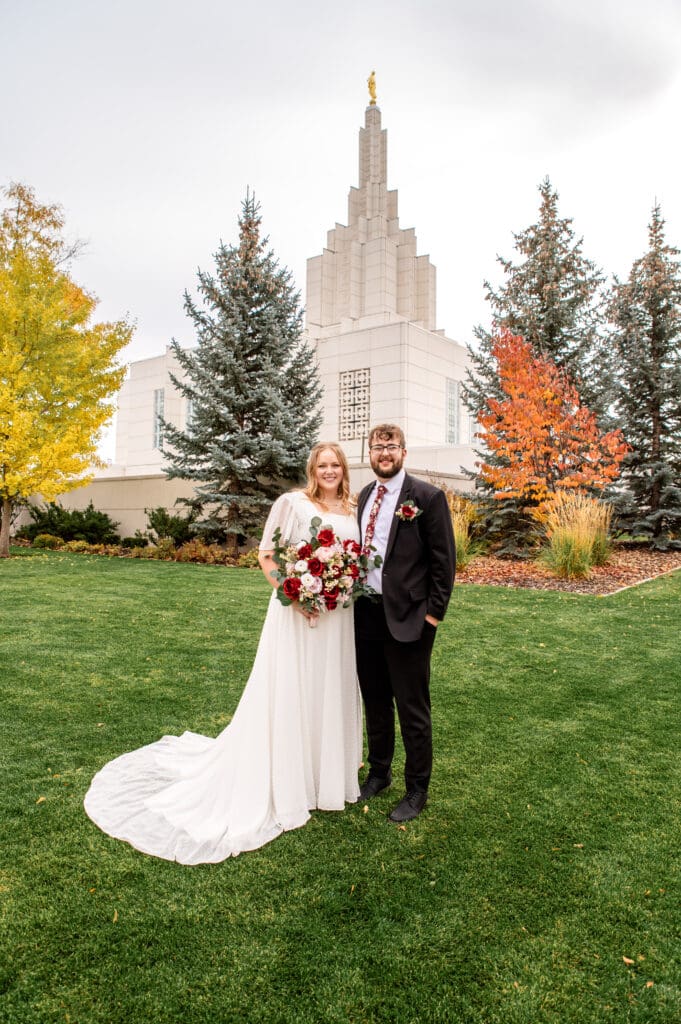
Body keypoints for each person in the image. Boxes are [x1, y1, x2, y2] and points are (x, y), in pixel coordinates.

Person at [84, 443, 362, 863]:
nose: (329, 471)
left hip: (339, 615)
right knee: (294, 687)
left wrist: (338, 584)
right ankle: (289, 777)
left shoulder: (354, 508)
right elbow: (267, 554)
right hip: (298, 613)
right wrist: (292, 590)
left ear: (343, 469)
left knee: (330, 685)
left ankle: (326, 775)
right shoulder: (292, 503)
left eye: (335, 465)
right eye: (322, 465)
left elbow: (355, 560)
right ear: (312, 468)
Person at [354, 424, 456, 822]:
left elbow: (444, 563)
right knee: (375, 699)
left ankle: (417, 789)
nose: (384, 453)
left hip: (410, 619)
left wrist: (432, 616)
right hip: (366, 613)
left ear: (403, 451)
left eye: (391, 446)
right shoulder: (365, 495)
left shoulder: (427, 498)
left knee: (412, 707)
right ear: (370, 453)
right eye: (378, 447)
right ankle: (379, 773)